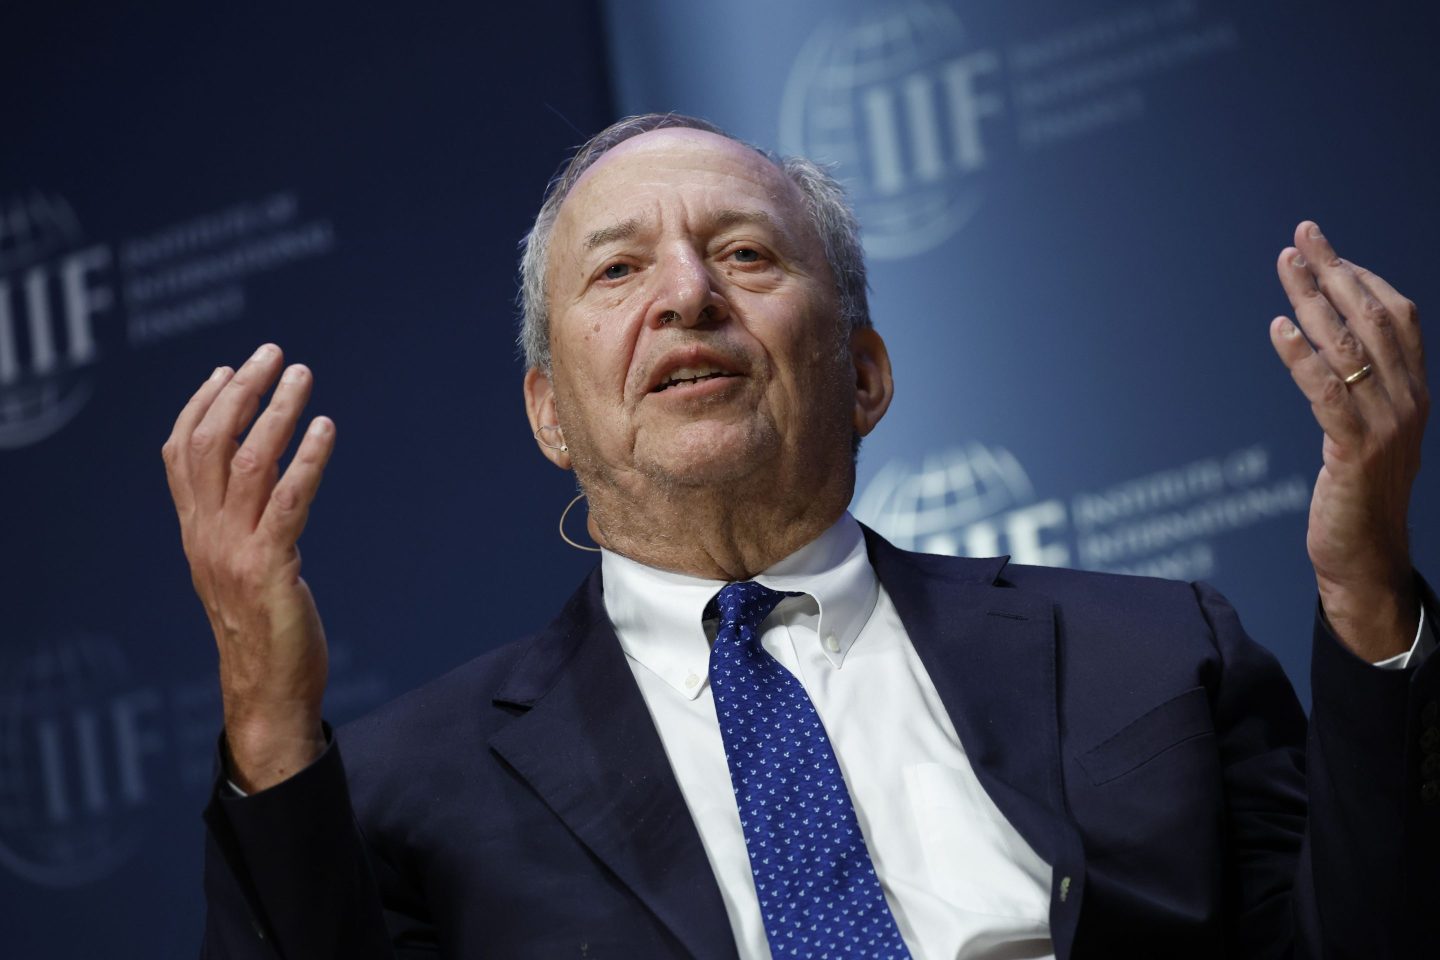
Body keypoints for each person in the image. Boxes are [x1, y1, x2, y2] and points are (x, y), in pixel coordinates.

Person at [167, 114, 1437, 959]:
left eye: (745, 253)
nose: (687, 295)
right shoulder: (409, 791)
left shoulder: (1154, 653)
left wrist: (1370, 590)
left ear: (866, 374)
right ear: (550, 413)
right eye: (617, 273)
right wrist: (268, 723)